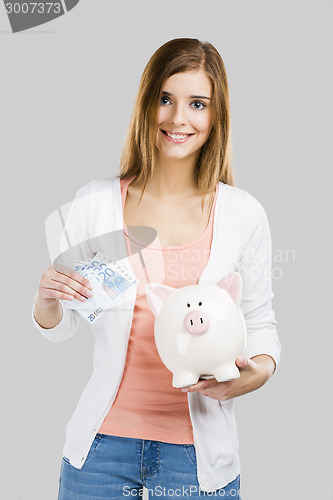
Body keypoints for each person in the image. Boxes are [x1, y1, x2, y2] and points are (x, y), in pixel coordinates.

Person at [32, 38, 281, 499]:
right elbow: (61, 324)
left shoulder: (242, 214)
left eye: (197, 103)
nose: (178, 118)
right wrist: (46, 299)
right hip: (100, 453)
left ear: (215, 115)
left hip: (196, 460)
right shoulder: (96, 202)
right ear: (147, 104)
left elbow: (261, 325)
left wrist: (257, 372)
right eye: (165, 98)